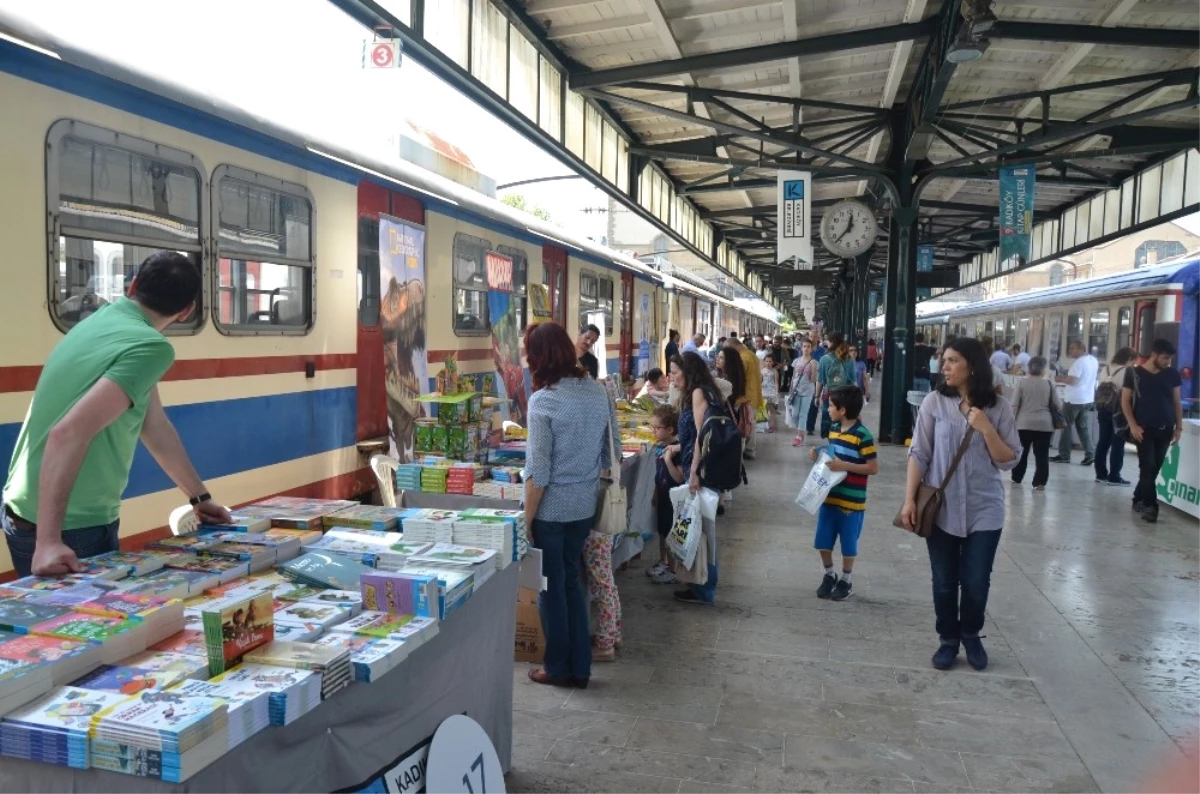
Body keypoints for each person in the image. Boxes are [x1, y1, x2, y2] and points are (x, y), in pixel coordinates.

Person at [2, 252, 232, 578]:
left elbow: (154, 427)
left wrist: (199, 497)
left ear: (133, 285)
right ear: (187, 311)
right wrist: (49, 541)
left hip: (25, 508)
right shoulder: (151, 346)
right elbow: (67, 433)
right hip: (70, 525)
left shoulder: (99, 321)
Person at [902, 337, 1021, 672]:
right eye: (945, 360)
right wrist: (909, 500)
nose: (945, 366)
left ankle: (971, 633)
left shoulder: (998, 407)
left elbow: (1008, 460)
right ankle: (948, 640)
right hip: (941, 508)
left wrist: (986, 429)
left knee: (976, 580)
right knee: (943, 581)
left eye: (953, 360)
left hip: (985, 507)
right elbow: (919, 454)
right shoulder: (934, 403)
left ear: (972, 365)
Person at [523, 322, 620, 688]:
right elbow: (611, 451)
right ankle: (580, 666)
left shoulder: (542, 401)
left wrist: (526, 519)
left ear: (539, 357)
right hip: (584, 506)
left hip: (550, 512)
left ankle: (558, 666)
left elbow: (538, 473)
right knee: (571, 585)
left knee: (552, 589)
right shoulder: (598, 392)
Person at [809, 386, 878, 601]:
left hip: (852, 501)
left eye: (831, 405)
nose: (828, 409)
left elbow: (873, 468)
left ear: (843, 409)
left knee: (849, 545)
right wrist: (819, 454)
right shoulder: (833, 429)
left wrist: (844, 466)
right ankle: (829, 574)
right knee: (822, 540)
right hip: (829, 497)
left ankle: (846, 579)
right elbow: (833, 454)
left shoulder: (863, 435)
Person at [665, 352, 723, 605]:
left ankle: (704, 586)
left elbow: (702, 436)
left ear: (688, 372)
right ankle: (700, 582)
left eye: (676, 373)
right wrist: (679, 448)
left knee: (702, 532)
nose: (672, 377)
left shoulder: (699, 393)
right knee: (699, 529)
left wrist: (693, 473)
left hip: (701, 472)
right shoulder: (701, 392)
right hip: (699, 467)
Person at [1123, 338, 1183, 523]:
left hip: (1165, 428)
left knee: (1155, 468)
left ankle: (1138, 497)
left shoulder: (1172, 374)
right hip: (1143, 429)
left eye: (1170, 359)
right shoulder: (1133, 373)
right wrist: (1133, 425)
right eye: (1165, 358)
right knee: (1147, 468)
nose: (1168, 362)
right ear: (1154, 355)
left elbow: (1176, 402)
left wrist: (1178, 427)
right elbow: (1125, 401)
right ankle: (1151, 506)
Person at [1009, 356, 1059, 491]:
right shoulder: (1049, 384)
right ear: (1043, 369)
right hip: (1045, 425)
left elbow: (1014, 405)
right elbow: (1058, 405)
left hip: (1023, 424)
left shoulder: (1021, 383)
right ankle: (1040, 482)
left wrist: (1011, 422)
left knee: (1022, 452)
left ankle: (1017, 477)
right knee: (1042, 454)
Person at [646, 404, 683, 586]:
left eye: (657, 428)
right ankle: (664, 561)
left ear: (669, 429)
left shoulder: (677, 450)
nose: (653, 431)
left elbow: (678, 477)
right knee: (662, 531)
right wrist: (655, 492)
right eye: (652, 427)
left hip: (673, 498)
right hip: (662, 494)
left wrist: (668, 459)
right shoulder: (662, 445)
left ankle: (673, 569)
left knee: (670, 533)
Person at [1094, 347, 1137, 487]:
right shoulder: (1127, 371)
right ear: (1129, 359)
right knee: (1118, 443)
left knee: (1103, 442)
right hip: (1118, 411)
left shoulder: (1105, 369)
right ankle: (1114, 476)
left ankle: (1100, 474)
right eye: (1133, 361)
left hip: (1102, 408)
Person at [1052, 340, 1098, 466]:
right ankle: (1090, 454)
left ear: (1081, 349)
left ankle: (1064, 455)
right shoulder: (1093, 360)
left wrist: (1059, 378)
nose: (1070, 351)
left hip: (1074, 400)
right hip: (1088, 399)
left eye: (1073, 348)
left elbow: (1072, 381)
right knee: (1083, 427)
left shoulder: (1078, 363)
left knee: (1066, 426)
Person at [727, 336, 762, 460]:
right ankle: (750, 449)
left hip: (746, 396)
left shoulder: (742, 358)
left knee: (745, 423)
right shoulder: (752, 354)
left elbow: (739, 379)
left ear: (733, 347)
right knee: (751, 422)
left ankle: (747, 450)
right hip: (754, 394)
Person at [816, 333, 855, 439]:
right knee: (843, 416)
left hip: (829, 393)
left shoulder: (824, 359)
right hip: (845, 394)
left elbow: (820, 380)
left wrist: (816, 396)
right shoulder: (849, 359)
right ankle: (841, 438)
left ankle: (829, 438)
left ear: (831, 342)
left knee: (828, 415)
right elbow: (853, 380)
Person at [788, 338, 818, 447]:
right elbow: (793, 376)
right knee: (795, 414)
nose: (806, 348)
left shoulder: (814, 362)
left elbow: (813, 380)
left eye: (808, 347)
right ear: (801, 348)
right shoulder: (796, 361)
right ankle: (801, 431)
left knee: (803, 414)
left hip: (808, 391)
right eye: (804, 346)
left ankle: (799, 436)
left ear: (811, 349)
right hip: (796, 390)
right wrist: (790, 389)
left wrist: (813, 369)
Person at [760, 354, 780, 434]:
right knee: (763, 409)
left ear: (773, 362)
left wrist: (777, 392)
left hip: (771, 392)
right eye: (767, 361)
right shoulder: (762, 371)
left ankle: (772, 426)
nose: (768, 363)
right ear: (764, 362)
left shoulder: (774, 371)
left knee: (772, 410)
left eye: (770, 361)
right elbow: (760, 381)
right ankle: (764, 425)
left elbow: (776, 383)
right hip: (763, 391)